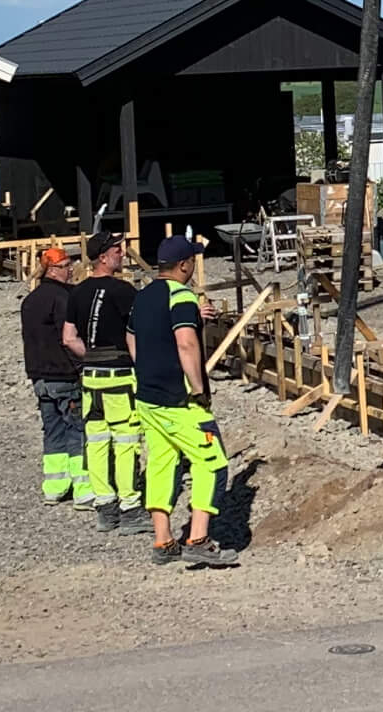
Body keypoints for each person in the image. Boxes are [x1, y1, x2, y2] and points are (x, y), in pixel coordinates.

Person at [129, 236, 238, 567]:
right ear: (184, 265)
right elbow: (187, 344)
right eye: (193, 261)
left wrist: (146, 368)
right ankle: (199, 538)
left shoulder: (144, 296)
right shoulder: (182, 297)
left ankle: (163, 540)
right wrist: (198, 388)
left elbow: (131, 336)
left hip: (148, 397)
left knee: (162, 464)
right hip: (179, 400)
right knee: (212, 463)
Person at [65, 232, 142, 532]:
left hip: (91, 378)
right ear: (102, 257)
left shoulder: (77, 293)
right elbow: (134, 334)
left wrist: (93, 355)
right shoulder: (123, 292)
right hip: (119, 375)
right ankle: (130, 506)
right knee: (125, 440)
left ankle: (104, 506)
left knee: (96, 442)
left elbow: (69, 338)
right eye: (116, 250)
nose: (122, 253)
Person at [18, 246, 83, 504]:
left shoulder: (30, 300)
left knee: (52, 431)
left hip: (39, 377)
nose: (70, 271)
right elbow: (66, 338)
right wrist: (80, 369)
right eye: (66, 266)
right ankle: (83, 489)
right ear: (54, 270)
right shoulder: (63, 299)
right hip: (64, 375)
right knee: (77, 430)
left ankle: (55, 486)